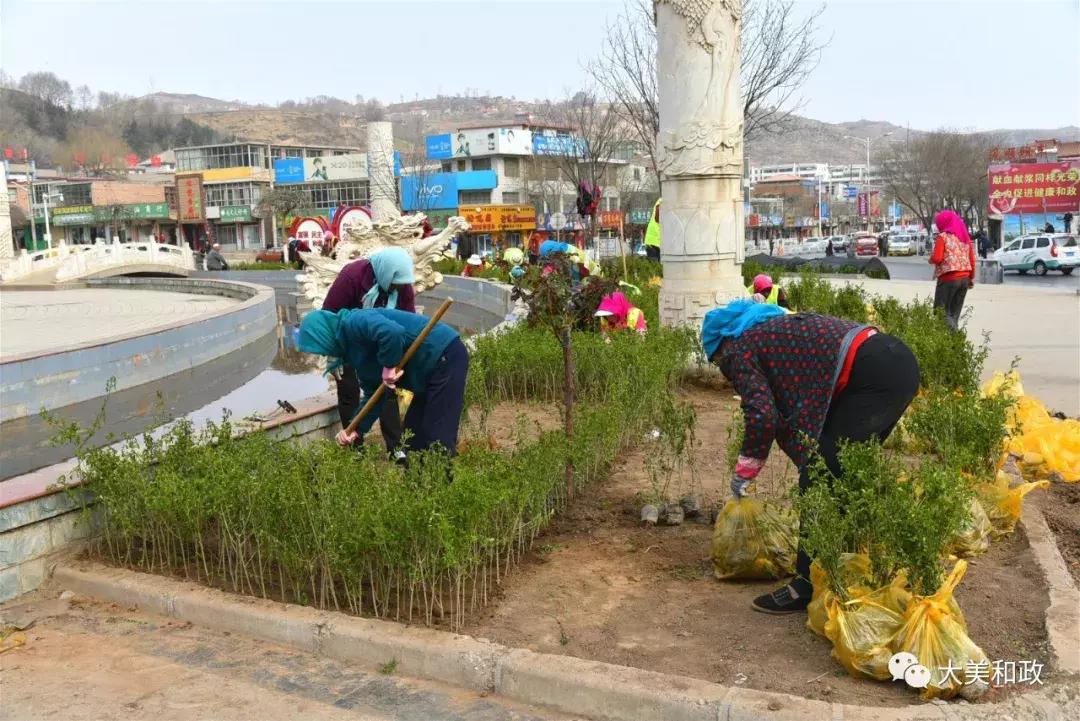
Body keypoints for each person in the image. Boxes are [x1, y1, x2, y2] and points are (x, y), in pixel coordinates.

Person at [702, 300, 920, 614]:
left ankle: (803, 586)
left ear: (723, 345)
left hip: (874, 376)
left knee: (818, 478)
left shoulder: (742, 349)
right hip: (895, 362)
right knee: (846, 472)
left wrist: (744, 472)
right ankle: (848, 564)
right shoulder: (772, 330)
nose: (724, 369)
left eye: (718, 360)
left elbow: (762, 415)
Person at [297, 308, 468, 458]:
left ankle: (442, 492)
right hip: (425, 374)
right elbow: (374, 393)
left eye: (320, 346)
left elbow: (392, 333)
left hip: (443, 354)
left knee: (437, 435)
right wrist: (356, 428)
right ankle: (417, 491)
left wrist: (388, 365)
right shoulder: (353, 354)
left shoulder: (355, 322)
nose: (324, 353)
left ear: (323, 334)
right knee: (413, 438)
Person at [322, 247, 417, 455]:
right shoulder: (352, 277)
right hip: (346, 340)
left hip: (382, 341)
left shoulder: (403, 288)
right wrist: (333, 352)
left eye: (400, 285)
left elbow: (409, 322)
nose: (397, 289)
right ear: (386, 273)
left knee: (387, 389)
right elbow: (329, 313)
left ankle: (396, 447)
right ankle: (354, 445)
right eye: (394, 284)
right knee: (349, 389)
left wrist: (396, 361)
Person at [928, 209, 976, 331]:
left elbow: (938, 258)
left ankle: (951, 337)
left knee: (941, 312)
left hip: (948, 278)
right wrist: (971, 278)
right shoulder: (964, 238)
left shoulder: (942, 237)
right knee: (954, 314)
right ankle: (954, 343)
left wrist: (931, 259)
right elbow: (972, 260)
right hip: (964, 279)